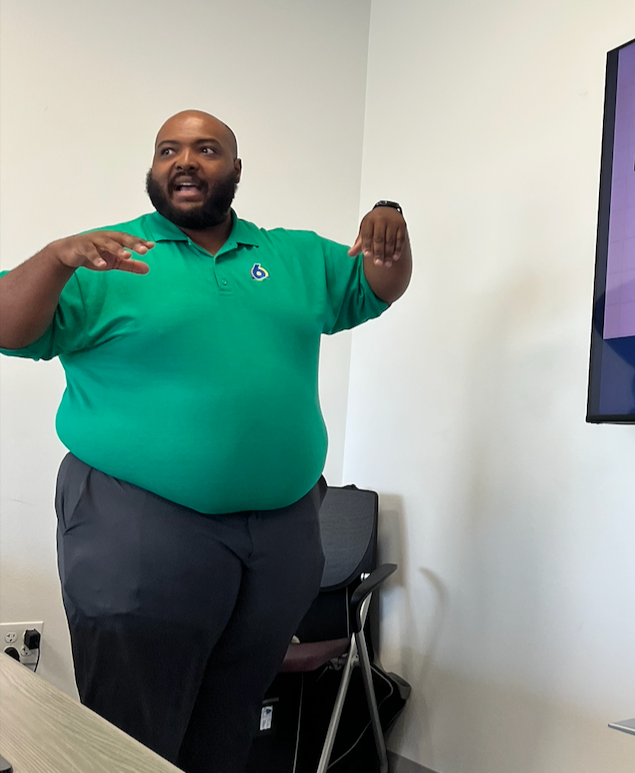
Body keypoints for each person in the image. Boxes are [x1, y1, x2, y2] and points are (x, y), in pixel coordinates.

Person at [0, 110, 411, 773]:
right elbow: (9, 328)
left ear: (236, 170)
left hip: (278, 535)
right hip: (137, 522)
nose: (185, 160)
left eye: (207, 148)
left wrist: (392, 228)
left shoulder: (293, 256)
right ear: (152, 170)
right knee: (131, 734)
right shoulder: (108, 255)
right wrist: (53, 259)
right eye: (169, 150)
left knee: (230, 721)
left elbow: (375, 286)